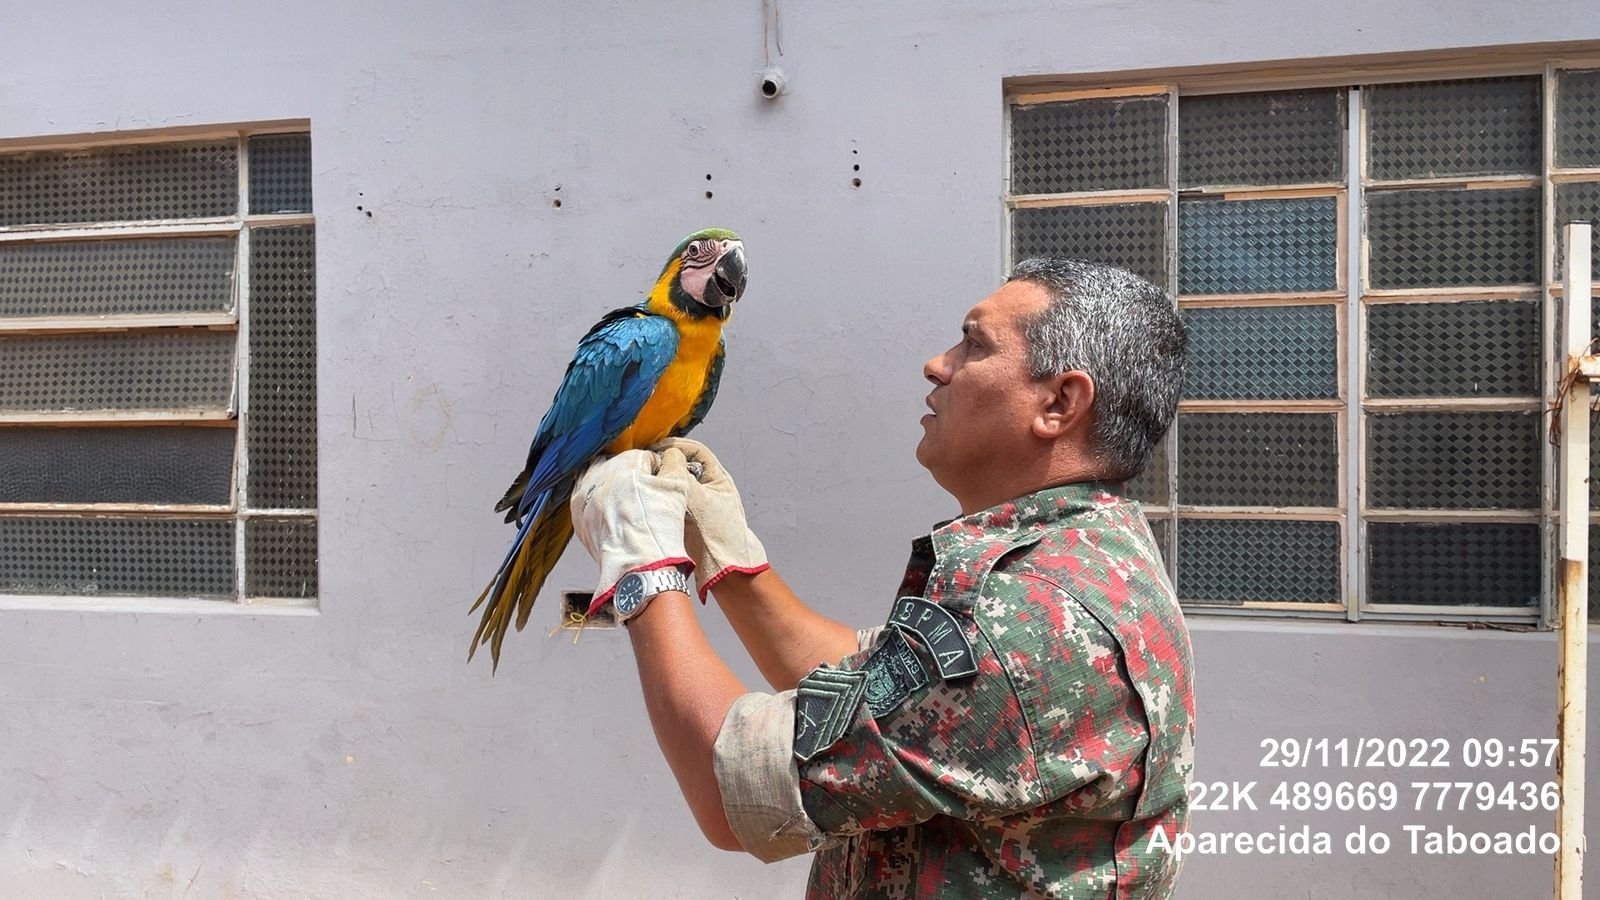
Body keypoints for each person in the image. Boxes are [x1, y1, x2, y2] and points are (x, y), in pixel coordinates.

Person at [567, 257, 1195, 899]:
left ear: (1060, 402)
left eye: (974, 344)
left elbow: (731, 788)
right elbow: (872, 689)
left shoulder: (1036, 620)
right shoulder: (1077, 555)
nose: (937, 363)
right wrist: (727, 557)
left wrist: (644, 566)